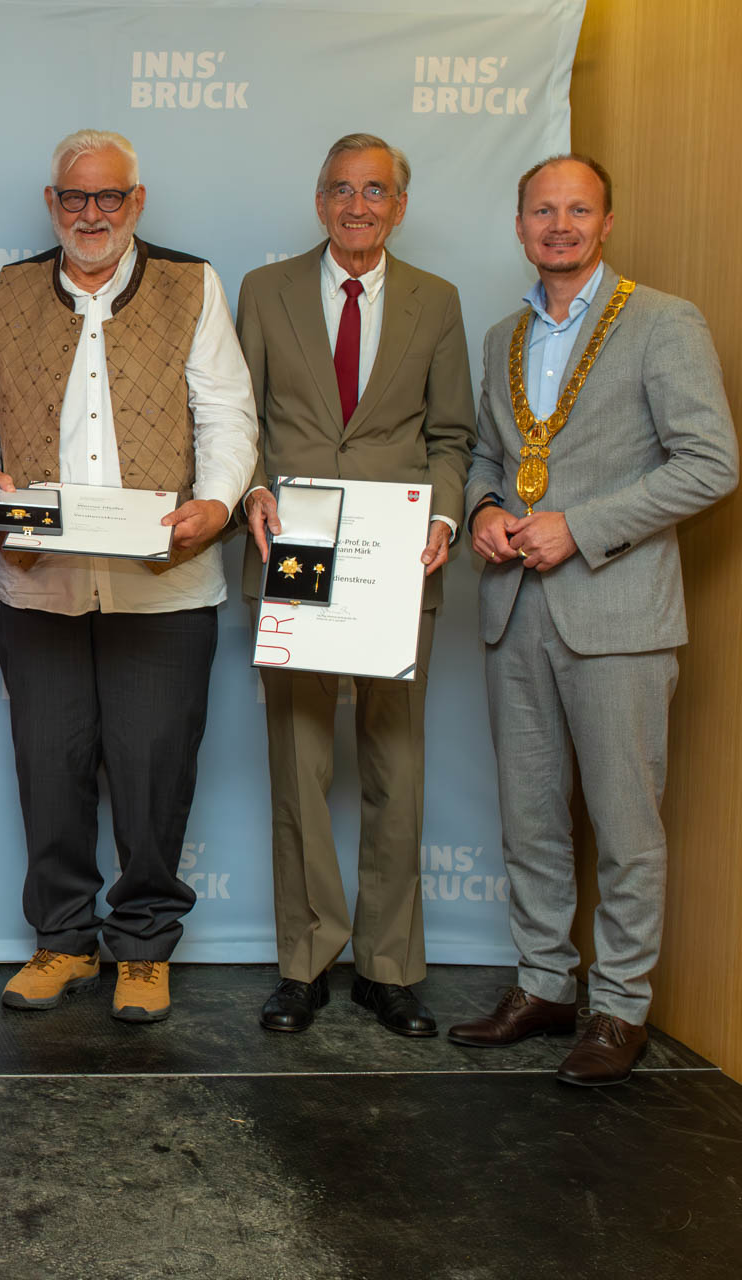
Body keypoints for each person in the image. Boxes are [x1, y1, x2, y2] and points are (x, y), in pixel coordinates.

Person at [0, 129, 258, 1023]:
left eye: (109, 197)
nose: (92, 214)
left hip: (164, 588)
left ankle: (145, 948)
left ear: (137, 201)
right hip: (39, 584)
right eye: (75, 198)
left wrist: (217, 503)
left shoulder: (193, 285)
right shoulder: (6, 291)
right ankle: (62, 942)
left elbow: (228, 415)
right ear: (51, 205)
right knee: (50, 771)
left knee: (154, 772)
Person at [447, 155, 736, 1086]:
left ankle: (620, 1007)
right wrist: (484, 510)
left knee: (624, 826)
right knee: (530, 820)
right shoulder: (502, 336)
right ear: (520, 225)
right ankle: (544, 986)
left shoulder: (663, 322)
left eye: (578, 210)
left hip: (618, 614)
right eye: (543, 210)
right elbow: (487, 455)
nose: (560, 225)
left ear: (607, 223)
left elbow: (711, 462)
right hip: (512, 608)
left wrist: (583, 527)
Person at [234, 134, 474, 1037]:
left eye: (375, 191)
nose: (357, 205)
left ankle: (388, 967)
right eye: (341, 188)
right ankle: (305, 963)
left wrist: (443, 517)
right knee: (299, 766)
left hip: (395, 562)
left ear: (399, 206)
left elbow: (451, 435)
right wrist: (252, 490)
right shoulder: (264, 291)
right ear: (319, 201)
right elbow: (237, 419)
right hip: (294, 551)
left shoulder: (435, 301)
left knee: (395, 767)